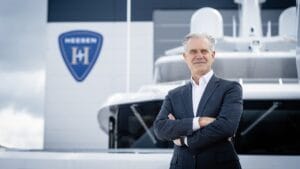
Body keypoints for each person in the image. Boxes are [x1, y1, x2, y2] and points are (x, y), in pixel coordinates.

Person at [153, 33, 243, 169]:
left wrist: (184, 139)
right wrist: (199, 122)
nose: (199, 55)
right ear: (185, 57)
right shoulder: (174, 95)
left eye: (204, 51)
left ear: (212, 55)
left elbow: (226, 127)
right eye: (193, 51)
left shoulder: (230, 89)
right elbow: (160, 129)